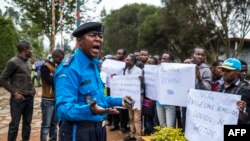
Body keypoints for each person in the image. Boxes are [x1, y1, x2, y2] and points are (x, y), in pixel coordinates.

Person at [54, 22, 132, 141]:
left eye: (100, 36)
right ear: (80, 41)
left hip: (99, 129)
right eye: (92, 35)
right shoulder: (69, 69)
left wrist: (120, 101)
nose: (98, 39)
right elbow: (63, 110)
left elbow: (97, 100)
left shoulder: (93, 66)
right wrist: (89, 110)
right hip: (79, 132)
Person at [0, 40, 35, 141]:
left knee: (27, 123)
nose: (31, 51)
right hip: (18, 100)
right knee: (14, 124)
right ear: (24, 50)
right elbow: (2, 79)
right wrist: (14, 93)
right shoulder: (13, 62)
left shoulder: (28, 61)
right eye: (30, 49)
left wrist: (32, 89)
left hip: (29, 98)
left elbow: (27, 77)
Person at [40, 49, 65, 141]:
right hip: (48, 100)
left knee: (54, 123)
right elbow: (52, 81)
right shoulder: (45, 67)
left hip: (56, 99)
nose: (62, 60)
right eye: (60, 58)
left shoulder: (57, 67)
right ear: (55, 57)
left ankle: (53, 139)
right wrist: (59, 78)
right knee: (46, 124)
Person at [217, 58, 250, 124]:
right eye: (223, 70)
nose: (224, 73)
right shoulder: (219, 87)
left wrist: (241, 111)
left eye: (228, 71)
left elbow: (245, 118)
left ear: (237, 71)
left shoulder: (245, 90)